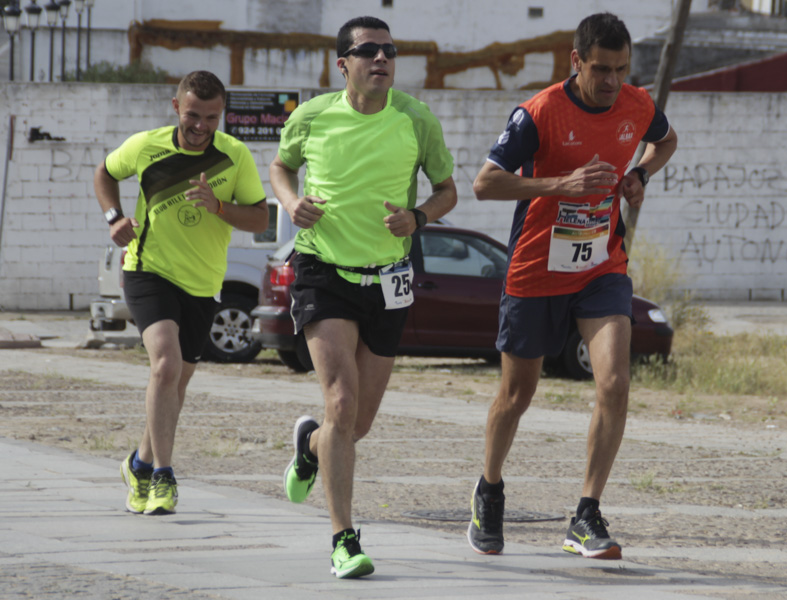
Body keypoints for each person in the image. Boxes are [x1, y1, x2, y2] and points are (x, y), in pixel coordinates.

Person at [467, 12, 678, 560]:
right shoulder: (539, 113)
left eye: (622, 69)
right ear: (576, 61)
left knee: (614, 381)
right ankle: (489, 489)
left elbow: (666, 140)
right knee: (518, 395)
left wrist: (640, 175)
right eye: (602, 69)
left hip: (601, 266)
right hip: (536, 270)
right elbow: (485, 183)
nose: (612, 81)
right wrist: (559, 184)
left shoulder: (637, 104)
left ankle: (585, 513)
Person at [270, 16, 456, 579]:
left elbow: (447, 190)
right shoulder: (313, 116)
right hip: (323, 271)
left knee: (358, 423)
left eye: (389, 50)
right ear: (343, 63)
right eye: (368, 50)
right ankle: (343, 539)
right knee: (343, 404)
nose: (381, 58)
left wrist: (418, 216)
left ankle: (310, 448)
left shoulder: (415, 119)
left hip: (389, 278)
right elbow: (281, 166)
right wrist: (290, 200)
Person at [94, 70, 269, 516]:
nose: (201, 126)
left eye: (211, 117)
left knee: (176, 381)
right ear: (177, 108)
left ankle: (139, 463)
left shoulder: (235, 156)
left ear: (221, 115)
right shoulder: (146, 146)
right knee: (166, 364)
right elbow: (105, 173)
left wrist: (220, 207)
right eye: (193, 115)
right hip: (147, 271)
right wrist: (115, 217)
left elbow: (260, 219)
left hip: (203, 284)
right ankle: (163, 476)